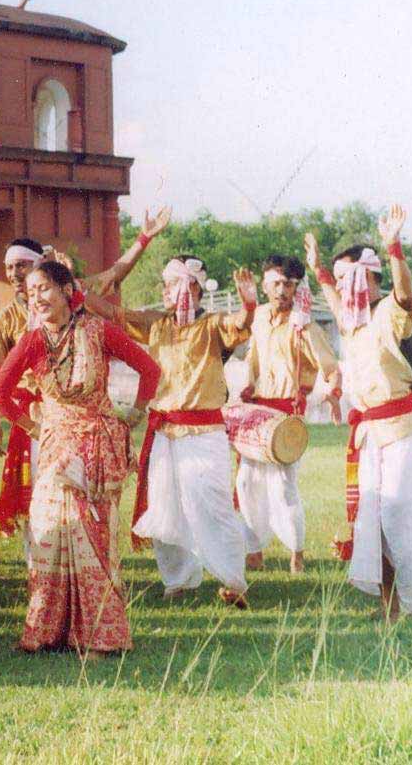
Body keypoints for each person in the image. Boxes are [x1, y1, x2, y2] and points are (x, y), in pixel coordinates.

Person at [0, 261, 159, 654]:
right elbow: (0, 393)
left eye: (45, 288)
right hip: (54, 450)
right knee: (49, 531)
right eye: (31, 291)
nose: (37, 297)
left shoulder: (98, 331)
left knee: (93, 536)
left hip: (97, 447)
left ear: (68, 291)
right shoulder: (33, 340)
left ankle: (102, 636)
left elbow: (149, 369)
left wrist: (133, 416)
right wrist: (34, 428)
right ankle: (46, 632)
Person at [0, 206, 170, 540]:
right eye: (10, 268)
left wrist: (143, 238)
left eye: (23, 266)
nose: (15, 273)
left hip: (94, 425)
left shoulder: (85, 308)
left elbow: (114, 275)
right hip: (40, 418)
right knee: (41, 502)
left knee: (92, 516)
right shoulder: (11, 322)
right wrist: (4, 421)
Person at [87, 256, 257, 607]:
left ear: (191, 288)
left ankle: (233, 580)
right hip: (165, 432)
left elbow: (239, 323)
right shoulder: (156, 324)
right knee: (165, 507)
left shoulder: (212, 326)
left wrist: (249, 304)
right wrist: (68, 288)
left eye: (170, 284)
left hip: (204, 432)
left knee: (214, 506)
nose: (164, 291)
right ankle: (178, 580)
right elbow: (111, 313)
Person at [306, 206, 412, 621]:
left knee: (397, 516)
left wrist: (394, 246)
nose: (341, 289)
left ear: (368, 276)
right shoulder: (353, 321)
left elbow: (404, 292)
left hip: (402, 430)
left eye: (348, 279)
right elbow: (334, 300)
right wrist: (320, 271)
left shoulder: (391, 313)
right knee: (373, 521)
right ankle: (389, 606)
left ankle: (411, 607)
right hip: (370, 433)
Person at [237, 254, 342, 574]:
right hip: (255, 412)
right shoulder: (258, 317)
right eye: (275, 283)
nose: (281, 290)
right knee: (246, 482)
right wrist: (245, 388)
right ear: (265, 284)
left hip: (286, 414)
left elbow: (331, 366)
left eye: (288, 284)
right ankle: (254, 551)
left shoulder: (304, 324)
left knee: (282, 486)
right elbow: (251, 358)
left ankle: (297, 551)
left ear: (297, 287)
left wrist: (334, 393)